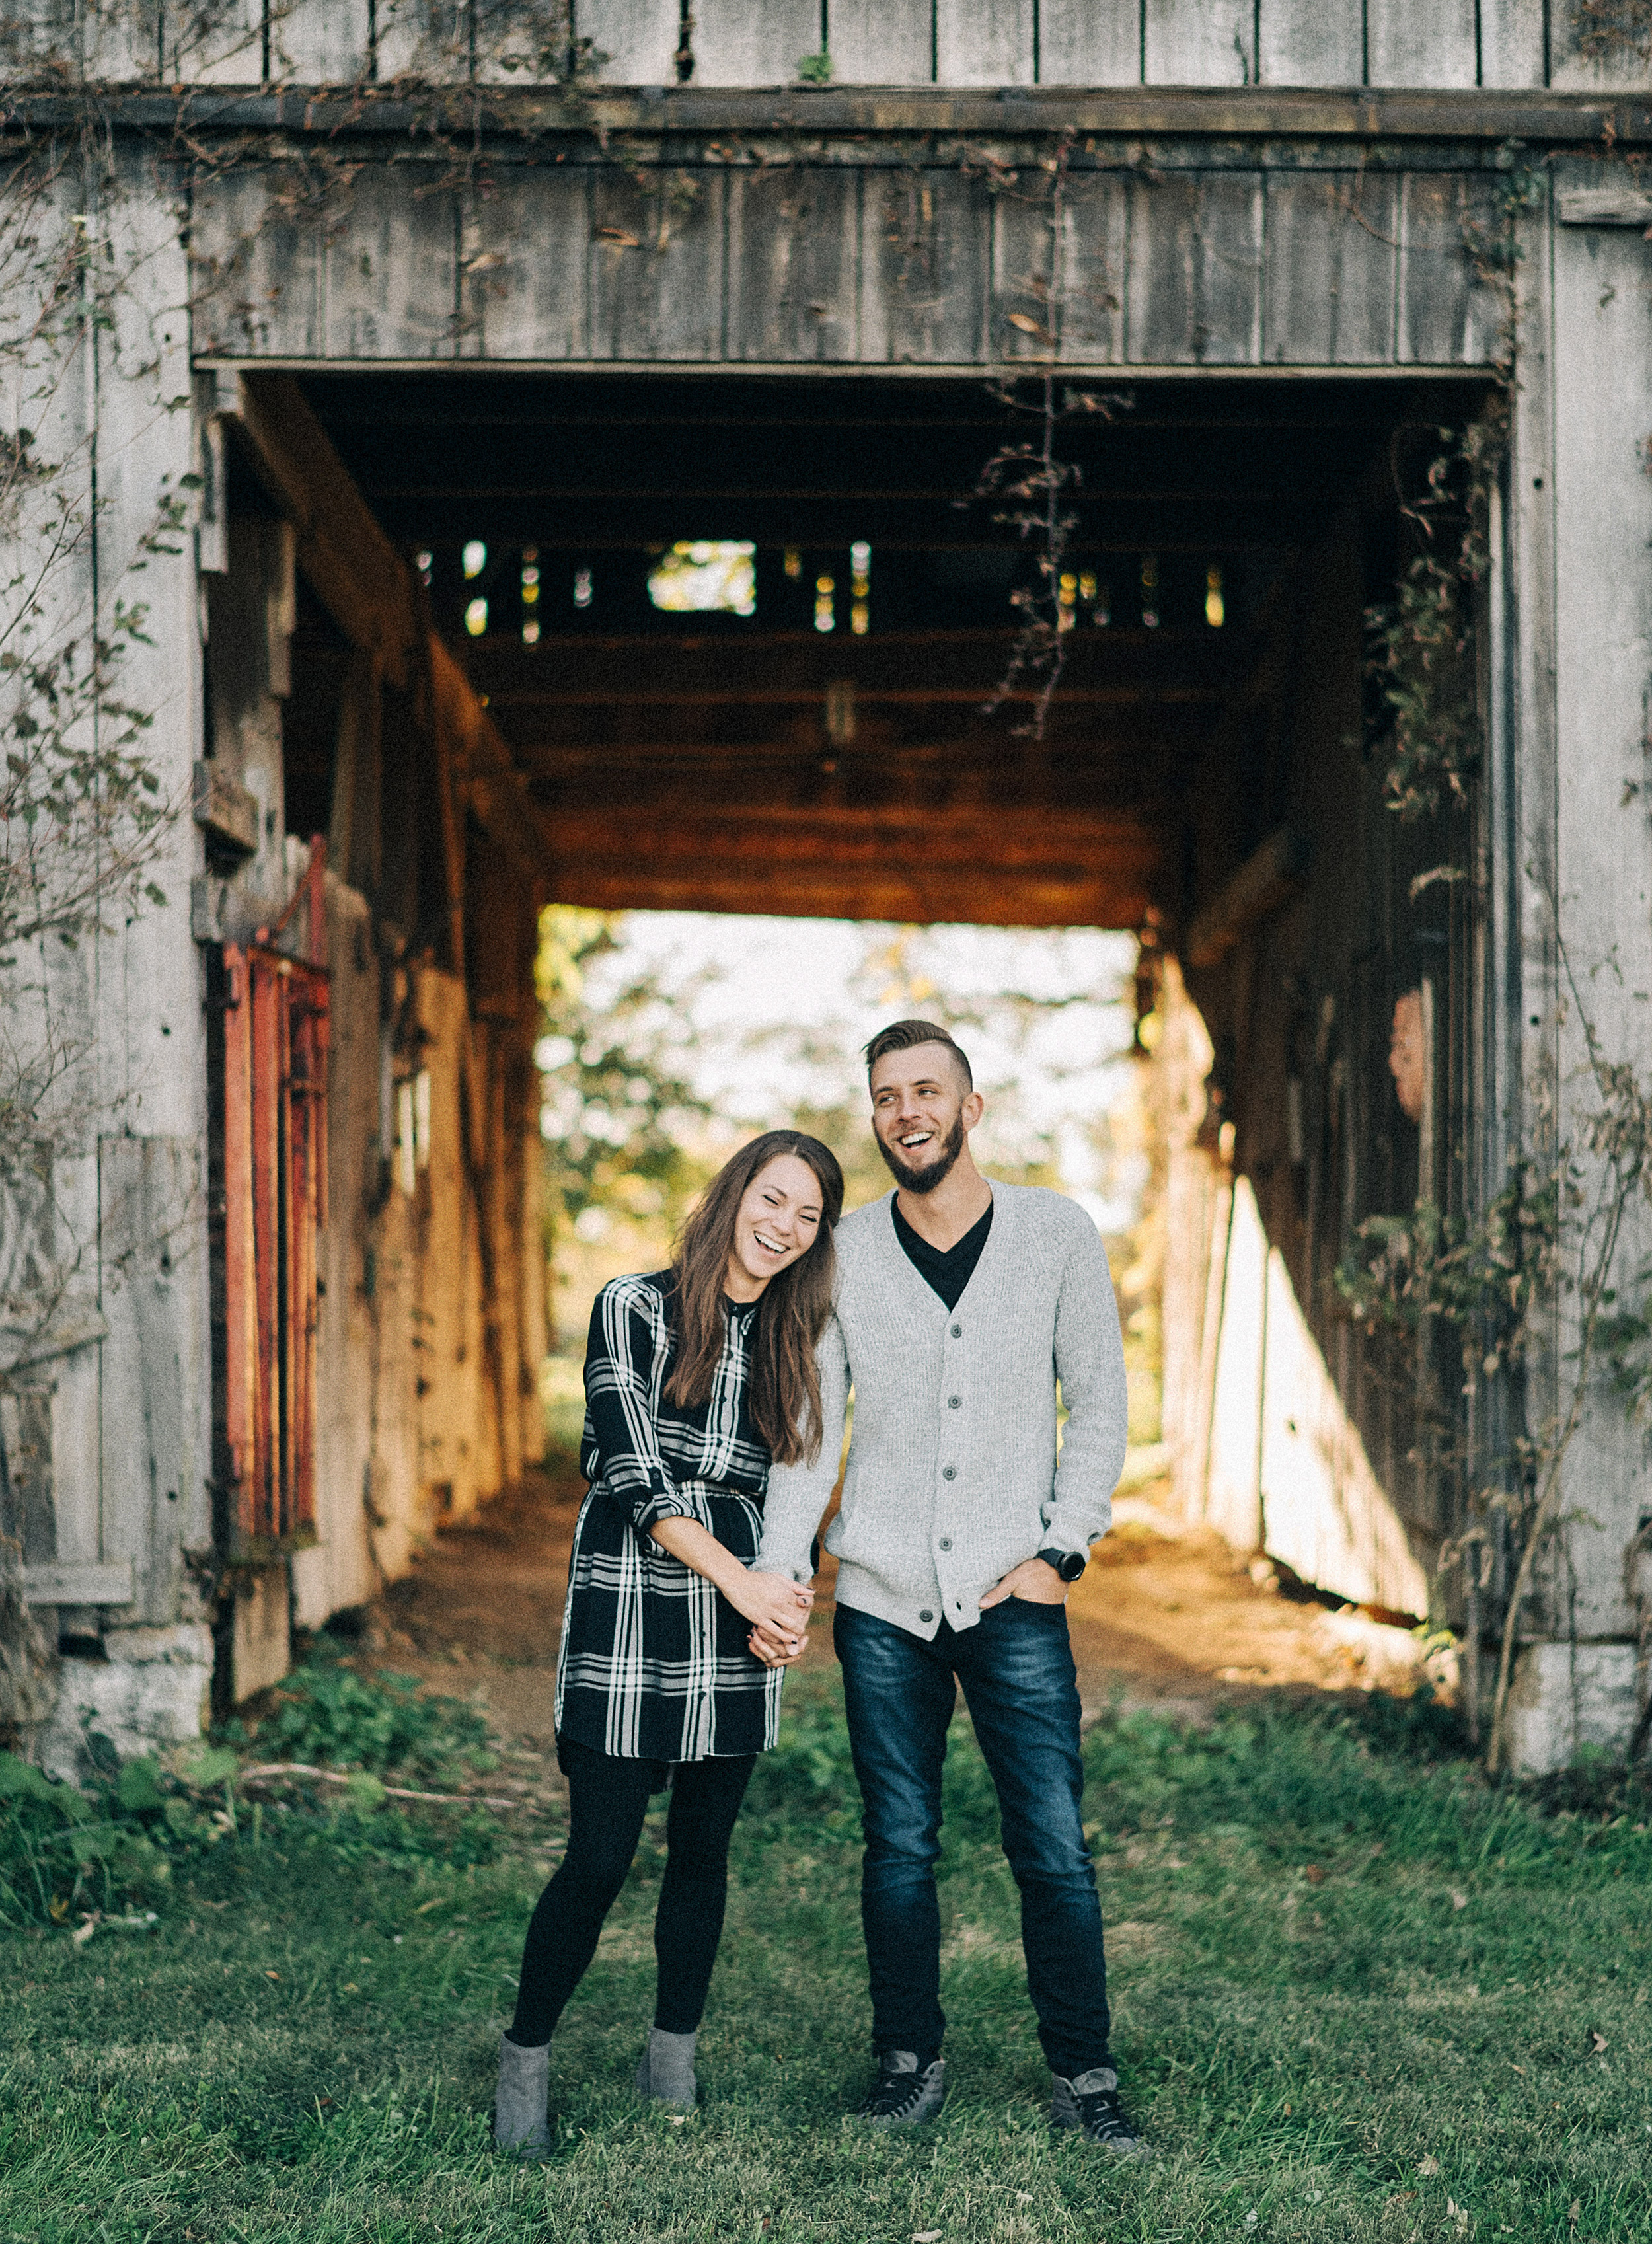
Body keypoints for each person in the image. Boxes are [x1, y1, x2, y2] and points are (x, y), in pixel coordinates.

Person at [757, 1021, 1144, 2155]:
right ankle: (907, 2060)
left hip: (1013, 1593)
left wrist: (1061, 1548)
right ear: (873, 1116)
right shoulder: (843, 1253)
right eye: (886, 1097)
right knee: (901, 1843)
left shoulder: (1056, 1233)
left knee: (1054, 1845)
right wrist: (785, 1572)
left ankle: (1085, 2071)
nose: (906, 1112)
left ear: (972, 1107)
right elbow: (809, 1435)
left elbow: (1102, 1404)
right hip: (880, 1599)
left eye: (928, 1091)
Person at [494, 1129, 845, 2159]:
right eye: (772, 1200)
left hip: (739, 1612)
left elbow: (797, 1482)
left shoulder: (795, 1337)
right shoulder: (633, 1305)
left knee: (703, 1855)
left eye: (808, 1216)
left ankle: (671, 2060)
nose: (782, 1227)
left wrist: (785, 1599)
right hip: (633, 1597)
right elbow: (628, 1469)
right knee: (599, 1857)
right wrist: (743, 1584)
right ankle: (525, 2060)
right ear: (735, 1194)